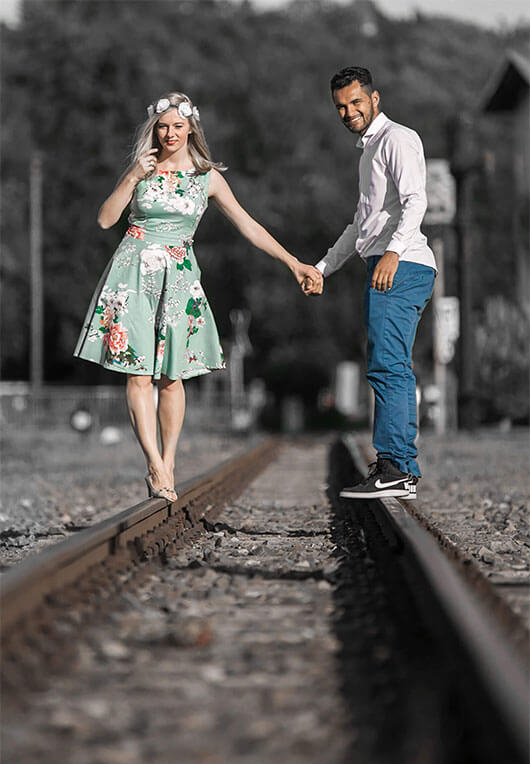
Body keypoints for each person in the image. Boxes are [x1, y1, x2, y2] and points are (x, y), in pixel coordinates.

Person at [74, 91, 323, 501]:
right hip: (133, 272)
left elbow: (250, 226)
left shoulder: (207, 177)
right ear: (153, 130)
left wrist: (293, 262)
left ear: (191, 128)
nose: (170, 134)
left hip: (179, 277)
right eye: (162, 127)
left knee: (172, 377)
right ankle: (153, 464)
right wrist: (132, 176)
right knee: (138, 373)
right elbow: (105, 220)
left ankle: (168, 461)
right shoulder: (143, 169)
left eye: (177, 126)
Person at [308, 66, 436, 500]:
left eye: (356, 102)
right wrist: (323, 267)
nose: (349, 112)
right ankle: (399, 466)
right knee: (388, 362)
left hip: (400, 264)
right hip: (386, 261)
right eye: (341, 107)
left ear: (374, 98)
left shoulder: (396, 138)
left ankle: (397, 466)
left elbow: (417, 200)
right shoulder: (369, 151)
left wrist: (395, 252)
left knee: (388, 366)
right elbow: (361, 225)